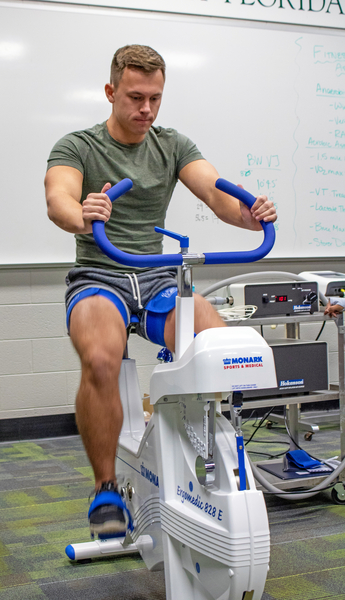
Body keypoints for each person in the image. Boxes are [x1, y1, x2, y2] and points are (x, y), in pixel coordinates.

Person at [45, 44, 277, 539]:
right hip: (100, 275)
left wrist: (246, 213)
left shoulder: (171, 144)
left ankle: (200, 461)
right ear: (111, 92)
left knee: (215, 341)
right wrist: (82, 214)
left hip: (154, 275)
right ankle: (105, 486)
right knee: (104, 359)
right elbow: (58, 200)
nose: (145, 109)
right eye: (134, 97)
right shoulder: (77, 145)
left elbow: (215, 192)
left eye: (155, 98)